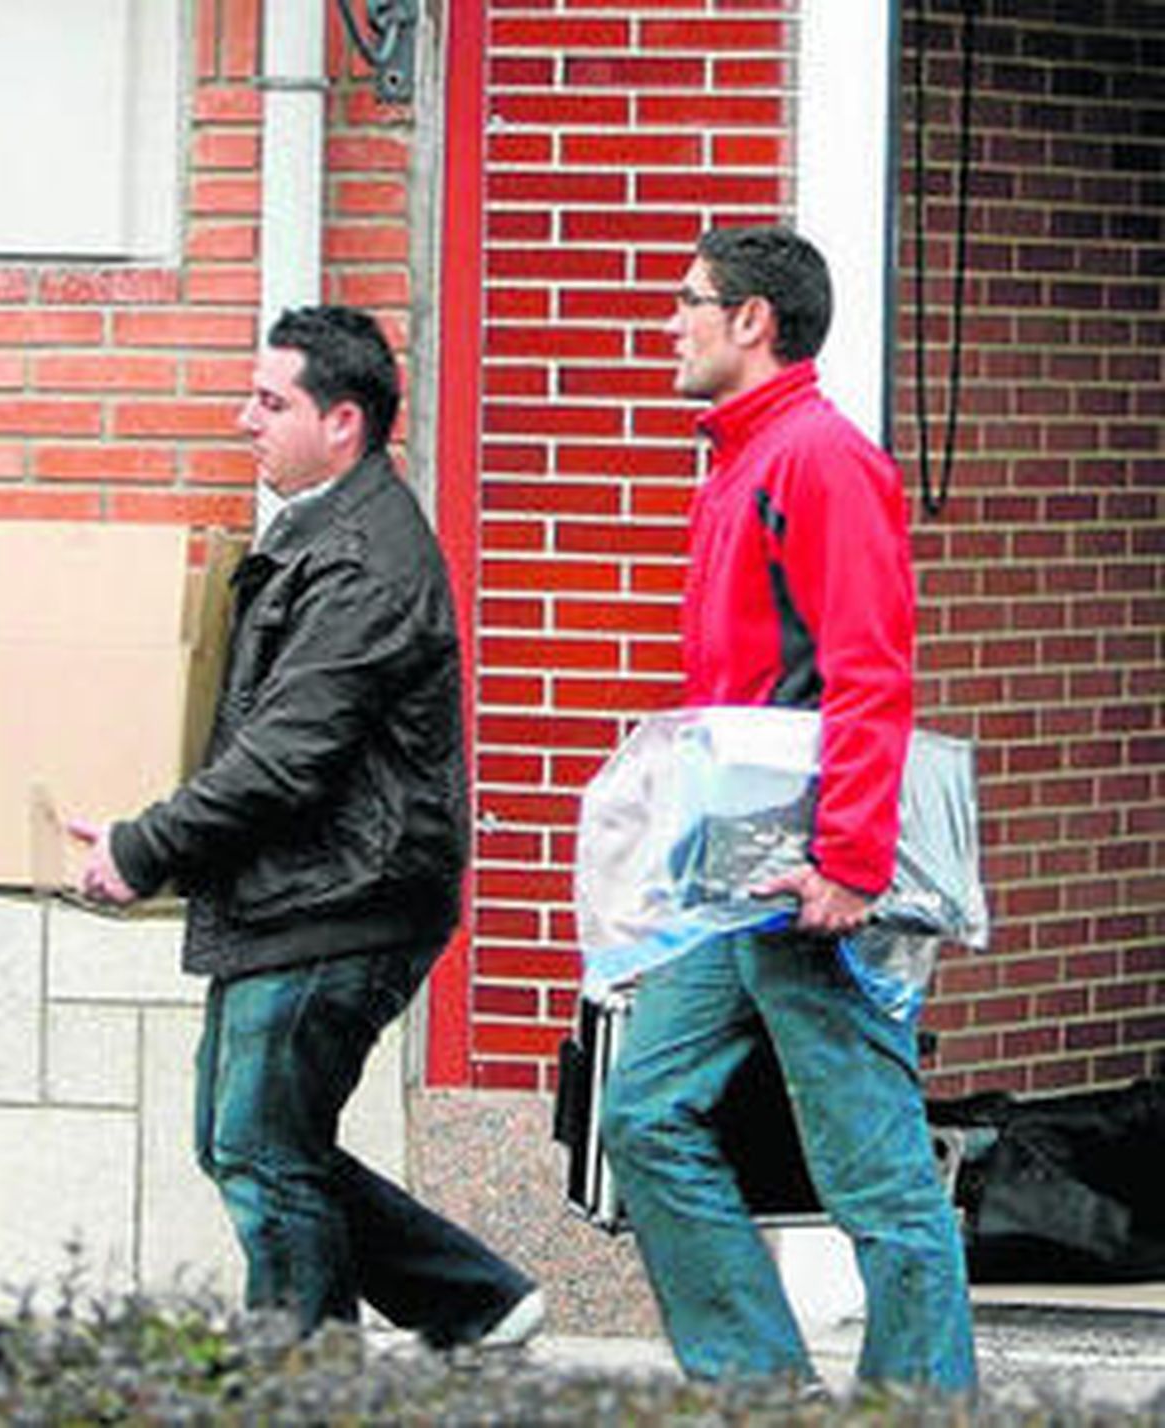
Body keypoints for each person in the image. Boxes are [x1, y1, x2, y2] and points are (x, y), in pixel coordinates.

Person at [68, 304, 543, 1349]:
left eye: (269, 401)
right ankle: (475, 1300)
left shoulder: (363, 561)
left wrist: (144, 847)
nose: (245, 419)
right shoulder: (326, 532)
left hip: (344, 898)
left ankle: (308, 1384)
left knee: (262, 1151)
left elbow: (288, 755)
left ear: (343, 424)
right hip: (309, 889)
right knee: (243, 1139)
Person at [597, 227, 977, 1392]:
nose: (671, 321)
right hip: (739, 881)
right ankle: (761, 1395)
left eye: (688, 299)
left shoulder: (817, 460)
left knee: (877, 1180)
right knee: (645, 1115)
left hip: (811, 882)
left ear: (752, 320)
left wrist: (851, 867)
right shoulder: (741, 460)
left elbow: (870, 668)